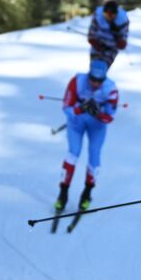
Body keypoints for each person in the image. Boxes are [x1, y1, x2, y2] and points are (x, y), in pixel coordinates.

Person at [56, 59, 121, 215]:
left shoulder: (111, 89)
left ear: (104, 78)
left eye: (99, 81)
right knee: (73, 153)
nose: (95, 83)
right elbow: (66, 107)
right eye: (92, 79)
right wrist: (80, 109)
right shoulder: (77, 81)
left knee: (94, 155)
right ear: (88, 74)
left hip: (96, 125)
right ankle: (63, 193)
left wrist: (98, 112)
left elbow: (110, 118)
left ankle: (87, 193)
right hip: (76, 122)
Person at [87, 0, 130, 68]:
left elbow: (123, 40)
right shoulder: (97, 18)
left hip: (112, 49)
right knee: (94, 68)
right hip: (98, 46)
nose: (109, 18)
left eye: (112, 15)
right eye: (106, 15)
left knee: (102, 69)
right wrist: (96, 44)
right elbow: (91, 34)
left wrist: (118, 37)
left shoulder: (123, 21)